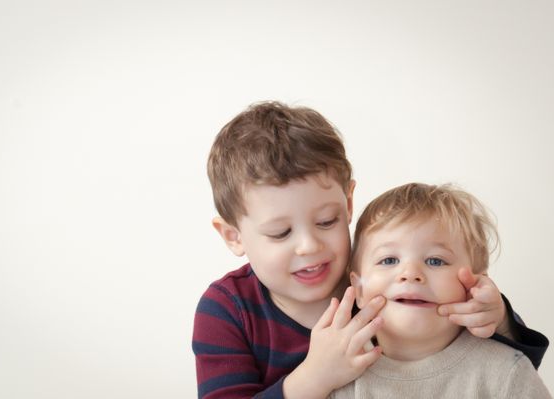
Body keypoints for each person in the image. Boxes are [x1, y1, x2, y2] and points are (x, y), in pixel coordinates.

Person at [192, 102, 549, 399]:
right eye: (280, 232)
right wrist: (313, 379)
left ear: (348, 201)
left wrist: (497, 317)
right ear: (233, 236)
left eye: (327, 221)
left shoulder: (380, 276)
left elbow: (501, 366)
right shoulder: (227, 309)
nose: (309, 246)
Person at [330, 182, 551, 398]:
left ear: (476, 286)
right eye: (388, 260)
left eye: (435, 261)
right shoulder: (341, 378)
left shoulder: (506, 374)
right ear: (357, 289)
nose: (410, 273)